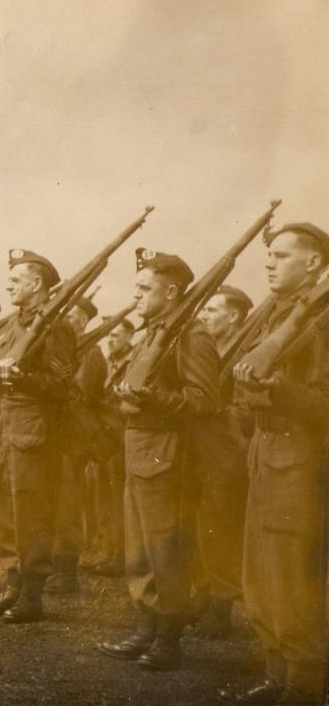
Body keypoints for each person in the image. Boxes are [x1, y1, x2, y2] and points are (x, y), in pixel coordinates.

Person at [219, 223, 329, 706]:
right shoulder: (276, 314)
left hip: (299, 459)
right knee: (260, 571)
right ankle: (276, 671)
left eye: (281, 255)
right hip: (266, 453)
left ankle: (303, 686)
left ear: (313, 263)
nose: (269, 262)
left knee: (290, 574)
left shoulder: (321, 320)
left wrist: (275, 389)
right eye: (269, 254)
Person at [98, 248, 219, 671]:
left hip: (168, 453)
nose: (137, 295)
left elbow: (205, 399)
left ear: (171, 292)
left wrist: (156, 399)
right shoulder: (154, 331)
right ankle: (147, 628)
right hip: (139, 447)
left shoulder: (191, 334)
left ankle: (169, 639)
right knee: (141, 548)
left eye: (144, 288)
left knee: (167, 548)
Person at [0, 249, 76, 623]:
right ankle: (12, 584)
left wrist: (25, 380)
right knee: (6, 511)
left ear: (36, 283)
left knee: (30, 511)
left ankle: (31, 594)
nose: (9, 286)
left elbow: (64, 384)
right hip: (7, 424)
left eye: (15, 280)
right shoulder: (13, 324)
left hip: (34, 427)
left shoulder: (56, 326)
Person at [191, 284, 253, 635]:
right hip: (198, 451)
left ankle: (221, 604)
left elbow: (245, 409)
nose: (204, 315)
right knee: (199, 526)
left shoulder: (245, 351)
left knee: (219, 530)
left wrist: (218, 414)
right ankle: (203, 593)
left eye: (212, 310)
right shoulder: (207, 350)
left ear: (234, 316)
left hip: (225, 455)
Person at [49, 296, 106, 595]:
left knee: (67, 505)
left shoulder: (91, 353)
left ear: (84, 321)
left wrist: (61, 380)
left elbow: (81, 394)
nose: (66, 321)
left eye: (73, 317)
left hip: (74, 435)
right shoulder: (62, 347)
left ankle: (66, 569)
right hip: (54, 432)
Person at [84, 318, 136, 576]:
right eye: (110, 336)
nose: (111, 340)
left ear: (130, 337)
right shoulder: (107, 364)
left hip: (121, 436)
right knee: (101, 494)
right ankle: (106, 549)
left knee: (116, 495)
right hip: (104, 437)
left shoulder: (132, 363)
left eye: (117, 335)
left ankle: (120, 554)